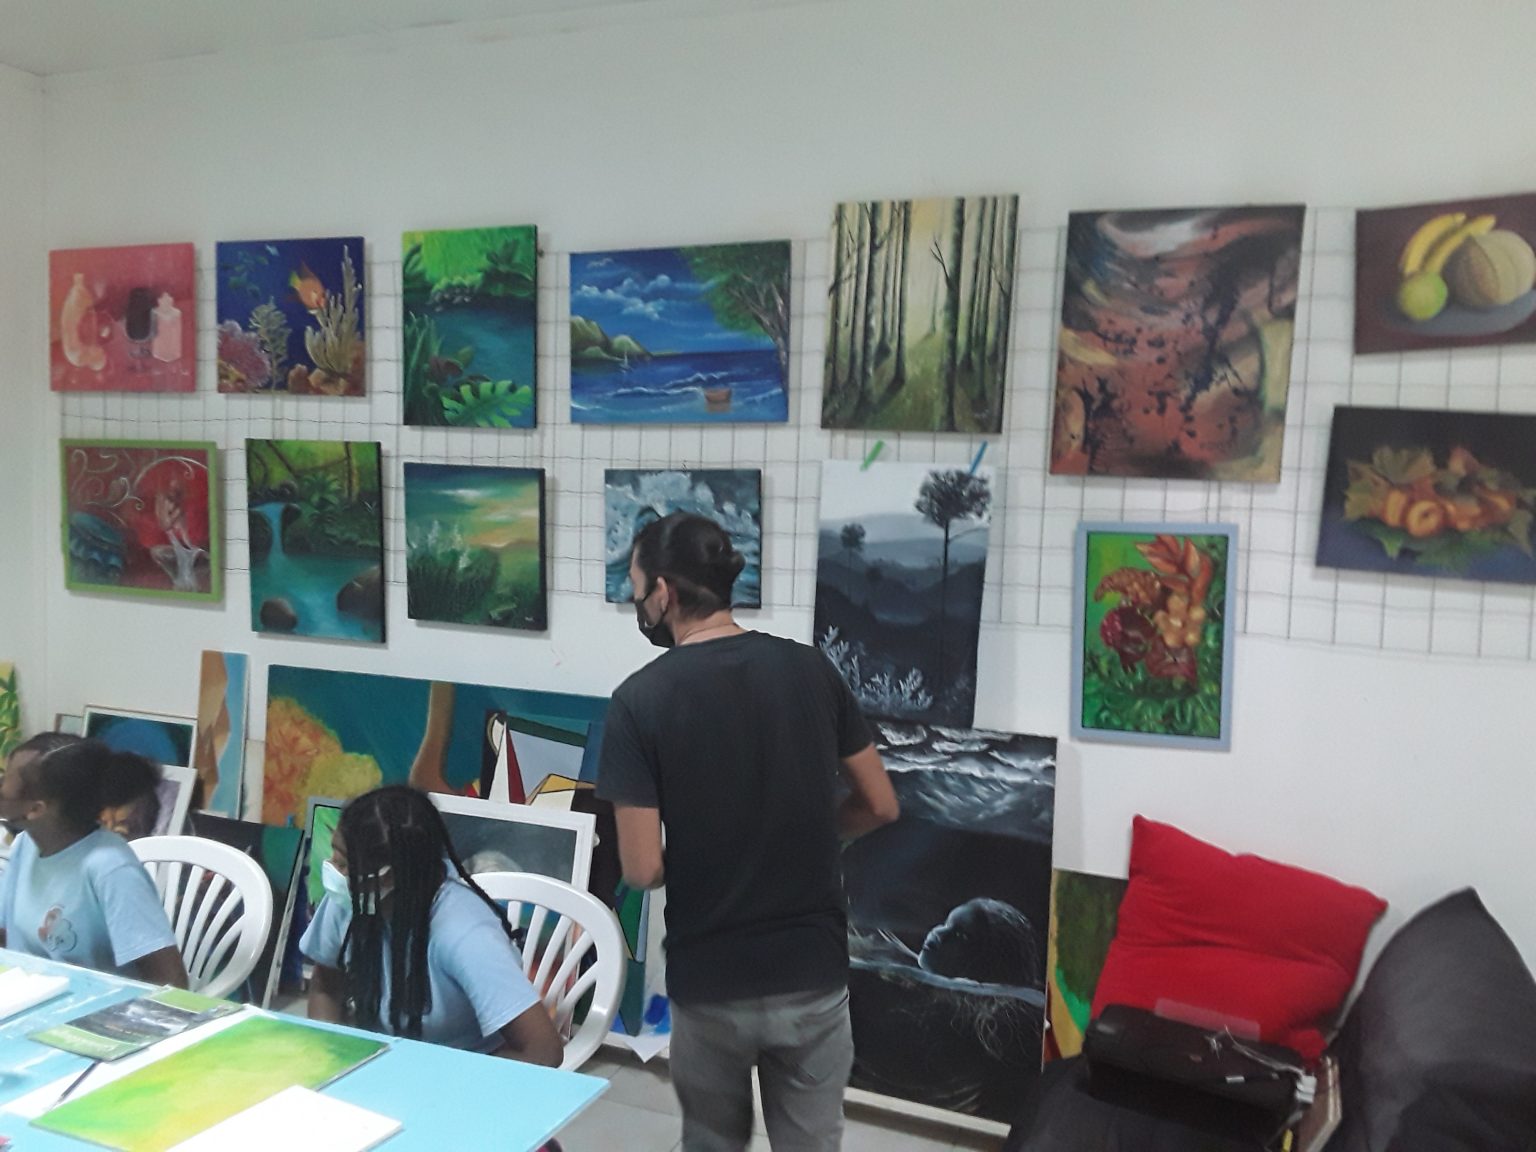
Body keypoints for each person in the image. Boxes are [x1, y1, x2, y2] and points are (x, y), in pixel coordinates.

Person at [598, 512, 901, 1152]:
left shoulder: (638, 702)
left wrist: (709, 847)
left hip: (712, 980)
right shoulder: (812, 670)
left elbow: (642, 869)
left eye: (637, 588)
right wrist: (811, 834)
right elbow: (879, 805)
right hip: (812, 972)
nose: (637, 602)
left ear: (665, 593)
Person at [302, 785, 564, 1067]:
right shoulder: (353, 898)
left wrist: (446, 1076)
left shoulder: (465, 934)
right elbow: (325, 987)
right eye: (335, 856)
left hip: (457, 1070)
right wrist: (333, 1055)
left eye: (345, 865)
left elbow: (544, 1051)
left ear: (389, 876)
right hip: (384, 1060)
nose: (333, 871)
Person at [0, 734, 188, 987]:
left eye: (5, 780)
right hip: (27, 992)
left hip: (91, 1004)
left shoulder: (111, 869)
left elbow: (171, 982)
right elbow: (7, 936)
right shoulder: (26, 844)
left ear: (35, 809)